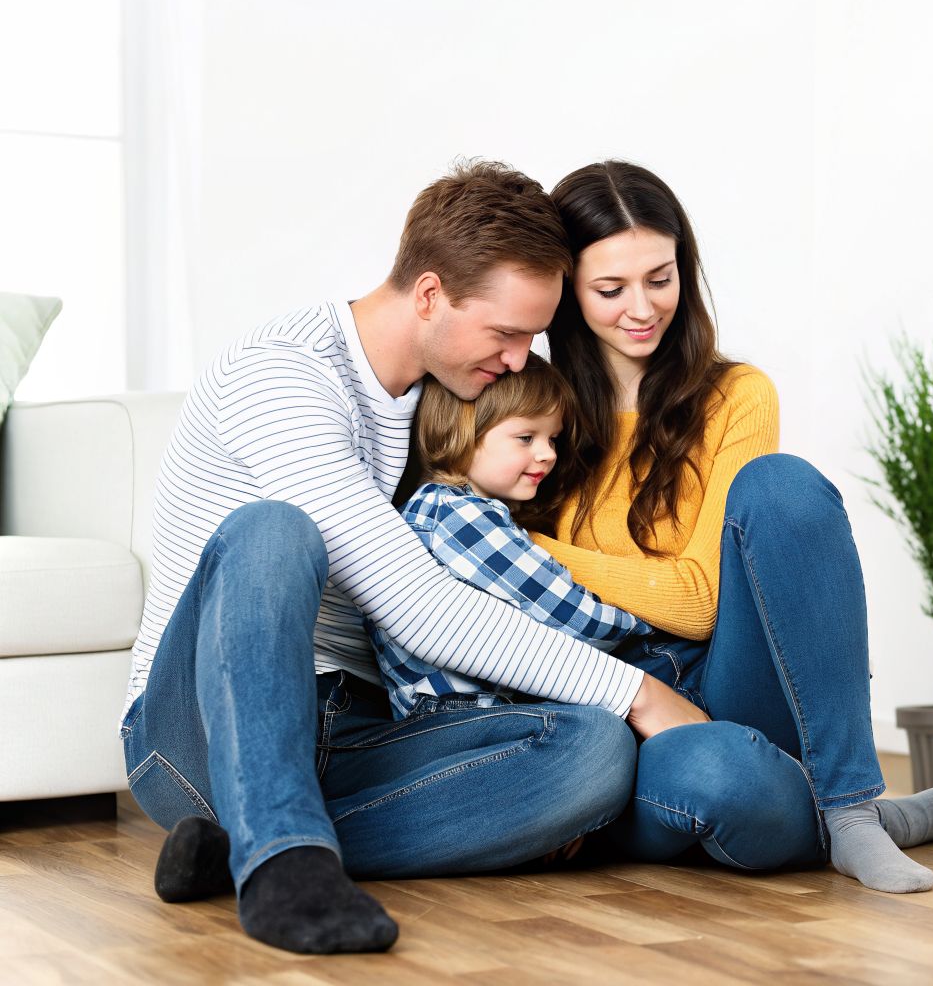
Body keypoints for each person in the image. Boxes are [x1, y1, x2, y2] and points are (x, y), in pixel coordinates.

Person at [120, 160, 701, 955]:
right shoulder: (282, 375)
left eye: (531, 337)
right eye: (505, 334)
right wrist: (638, 692)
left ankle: (253, 845)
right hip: (199, 735)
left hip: (351, 731)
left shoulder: (442, 399)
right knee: (274, 532)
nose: (519, 358)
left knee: (591, 751)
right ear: (430, 294)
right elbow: (415, 604)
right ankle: (284, 862)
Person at [523, 160, 933, 892]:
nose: (642, 308)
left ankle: (849, 805)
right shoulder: (530, 411)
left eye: (660, 278)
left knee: (782, 486)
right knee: (722, 779)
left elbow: (699, 600)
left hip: (728, 671)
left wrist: (529, 550)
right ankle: (878, 819)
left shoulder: (736, 395)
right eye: (611, 289)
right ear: (566, 291)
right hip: (618, 715)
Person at [369, 354, 654, 719]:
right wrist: (646, 625)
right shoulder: (460, 516)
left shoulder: (443, 508)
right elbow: (578, 621)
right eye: (526, 438)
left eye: (553, 438)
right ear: (462, 432)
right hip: (463, 715)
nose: (547, 454)